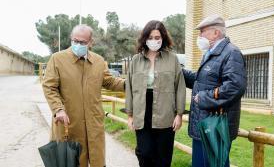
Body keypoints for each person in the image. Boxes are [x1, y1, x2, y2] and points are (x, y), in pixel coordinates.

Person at [42, 24, 125, 167]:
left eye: (83, 42)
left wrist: (130, 84)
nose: (78, 44)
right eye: (75, 41)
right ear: (70, 39)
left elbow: (109, 82)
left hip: (94, 125)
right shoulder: (57, 59)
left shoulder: (99, 61)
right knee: (71, 162)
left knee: (97, 161)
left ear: (91, 42)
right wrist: (58, 109)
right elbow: (49, 86)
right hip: (68, 124)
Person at [182, 15, 247, 167]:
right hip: (203, 125)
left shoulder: (231, 53)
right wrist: (179, 72)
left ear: (216, 33)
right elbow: (201, 81)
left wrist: (204, 98)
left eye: (202, 32)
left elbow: (235, 87)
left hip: (216, 128)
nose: (199, 36)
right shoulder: (210, 54)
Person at [125, 20, 186, 167]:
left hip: (165, 112)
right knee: (144, 153)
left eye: (157, 37)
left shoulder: (172, 59)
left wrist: (179, 114)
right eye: (150, 37)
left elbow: (180, 87)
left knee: (163, 156)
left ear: (163, 38)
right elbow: (130, 87)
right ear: (145, 38)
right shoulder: (135, 60)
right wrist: (130, 115)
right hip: (142, 112)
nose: (154, 41)